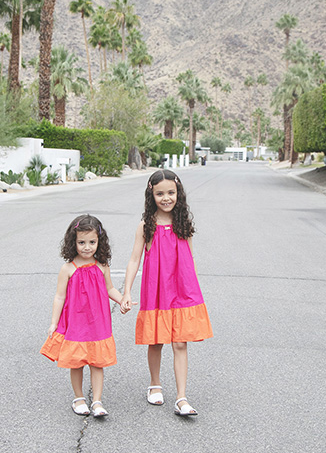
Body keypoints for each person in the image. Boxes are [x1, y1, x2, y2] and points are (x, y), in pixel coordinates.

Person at [122, 169, 212, 416]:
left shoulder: (183, 223)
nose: (166, 198)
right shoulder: (146, 225)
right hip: (157, 288)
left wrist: (192, 287)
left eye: (171, 192)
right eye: (160, 193)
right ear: (151, 195)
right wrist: (126, 291)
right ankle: (155, 384)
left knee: (180, 342)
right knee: (156, 340)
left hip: (182, 288)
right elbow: (133, 260)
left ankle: (182, 397)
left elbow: (189, 257)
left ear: (178, 193)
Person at [41, 215, 124, 417]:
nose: (87, 247)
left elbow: (109, 289)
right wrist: (54, 322)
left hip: (98, 323)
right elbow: (60, 297)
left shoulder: (102, 266)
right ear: (73, 242)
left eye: (92, 242)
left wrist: (122, 300)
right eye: (81, 242)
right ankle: (79, 398)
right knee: (76, 362)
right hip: (76, 323)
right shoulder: (68, 268)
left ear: (99, 242)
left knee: (97, 362)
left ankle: (97, 401)